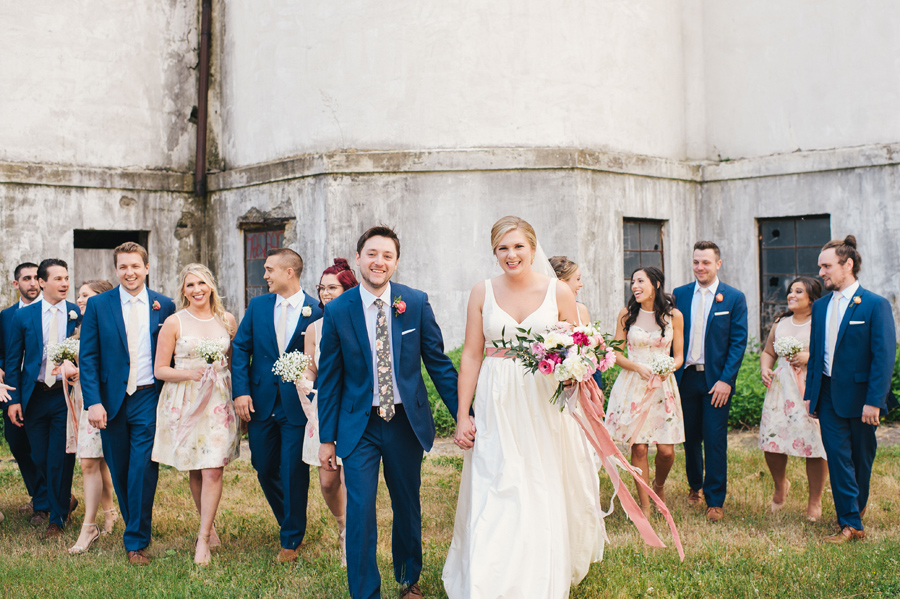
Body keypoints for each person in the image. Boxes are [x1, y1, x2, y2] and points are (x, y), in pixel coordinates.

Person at [442, 216, 605, 599]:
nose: (510, 255)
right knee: (496, 478)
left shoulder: (558, 292)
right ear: (494, 251)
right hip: (496, 398)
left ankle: (538, 571)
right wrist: (463, 413)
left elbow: (581, 346)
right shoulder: (481, 292)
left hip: (542, 398)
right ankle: (488, 577)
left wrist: (572, 369)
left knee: (538, 479)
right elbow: (471, 354)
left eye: (518, 246)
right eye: (502, 248)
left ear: (533, 248)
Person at [318, 226, 459, 599]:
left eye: (387, 255)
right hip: (358, 424)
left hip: (404, 424)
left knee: (407, 504)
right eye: (372, 254)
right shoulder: (338, 311)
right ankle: (365, 591)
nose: (379, 262)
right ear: (360, 257)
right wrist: (326, 439)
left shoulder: (414, 301)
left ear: (396, 261)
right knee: (361, 509)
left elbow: (438, 364)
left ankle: (408, 579)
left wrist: (465, 413)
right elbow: (330, 378)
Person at [80, 242, 176, 565]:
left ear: (146, 268)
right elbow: (88, 357)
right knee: (120, 469)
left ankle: (135, 540)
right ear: (116, 269)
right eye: (123, 267)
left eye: (135, 266)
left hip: (149, 396)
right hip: (111, 400)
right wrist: (93, 402)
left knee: (143, 469)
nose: (129, 272)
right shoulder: (99, 305)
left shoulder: (165, 305)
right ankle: (134, 522)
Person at [232, 248, 322, 563]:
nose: (265, 275)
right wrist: (240, 392)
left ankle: (291, 539)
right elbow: (241, 347)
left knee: (293, 471)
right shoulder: (257, 306)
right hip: (260, 402)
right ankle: (291, 518)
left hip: (296, 405)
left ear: (289, 272)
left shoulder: (317, 309)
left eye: (269, 269)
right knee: (264, 467)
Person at [804, 236, 896, 544]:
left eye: (827, 266)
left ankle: (855, 507)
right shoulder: (820, 307)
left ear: (848, 265)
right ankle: (851, 523)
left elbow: (884, 358)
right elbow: (817, 354)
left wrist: (874, 401)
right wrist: (811, 394)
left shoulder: (874, 305)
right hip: (827, 394)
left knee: (861, 457)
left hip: (861, 398)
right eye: (820, 266)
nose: (821, 272)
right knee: (838, 456)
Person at [152, 264, 239, 565]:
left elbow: (231, 362)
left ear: (211, 286)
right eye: (190, 285)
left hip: (217, 401)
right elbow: (160, 369)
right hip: (186, 398)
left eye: (201, 283)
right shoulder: (174, 322)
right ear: (184, 291)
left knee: (213, 467)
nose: (196, 289)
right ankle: (208, 524)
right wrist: (190, 372)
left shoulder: (226, 320)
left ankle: (202, 538)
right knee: (195, 466)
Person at [5, 259, 81, 539]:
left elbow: (85, 349)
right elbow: (13, 360)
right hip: (34, 396)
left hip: (63, 394)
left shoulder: (75, 312)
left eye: (66, 278)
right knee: (39, 456)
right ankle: (62, 501)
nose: (64, 283)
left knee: (60, 458)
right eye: (58, 279)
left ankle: (56, 519)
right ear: (42, 282)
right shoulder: (24, 316)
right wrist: (13, 400)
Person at [673, 241, 748, 522]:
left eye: (705, 262)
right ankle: (696, 486)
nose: (700, 267)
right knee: (689, 437)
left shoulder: (733, 298)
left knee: (714, 439)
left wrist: (727, 380)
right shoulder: (679, 295)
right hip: (686, 377)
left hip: (716, 381)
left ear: (718, 264)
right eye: (696, 262)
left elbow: (738, 342)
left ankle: (715, 501)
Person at [605, 267, 685, 516]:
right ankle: (646, 505)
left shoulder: (674, 316)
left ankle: (658, 486)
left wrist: (668, 368)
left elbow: (679, 356)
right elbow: (615, 353)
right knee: (638, 448)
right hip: (633, 384)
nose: (635, 286)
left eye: (640, 281)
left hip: (663, 387)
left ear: (656, 284)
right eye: (633, 282)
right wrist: (636, 366)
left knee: (666, 451)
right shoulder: (626, 315)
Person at [301, 258, 358, 566]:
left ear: (348, 288)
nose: (324, 293)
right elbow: (312, 370)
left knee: (352, 477)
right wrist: (300, 377)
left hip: (357, 409)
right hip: (326, 408)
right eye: (321, 289)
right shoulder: (314, 328)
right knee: (327, 481)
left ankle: (352, 538)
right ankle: (342, 524)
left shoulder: (359, 320)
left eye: (332, 287)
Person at [758, 277, 828, 521]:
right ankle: (780, 486)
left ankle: (814, 501)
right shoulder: (781, 322)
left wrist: (808, 357)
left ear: (812, 297)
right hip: (782, 389)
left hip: (810, 388)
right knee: (772, 441)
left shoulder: (820, 322)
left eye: (799, 291)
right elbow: (768, 352)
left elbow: (830, 352)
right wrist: (765, 368)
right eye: (790, 291)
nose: (792, 294)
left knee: (815, 446)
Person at [67, 279, 119, 555]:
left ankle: (102, 517)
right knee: (91, 462)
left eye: (86, 295)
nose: (80, 299)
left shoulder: (111, 324)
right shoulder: (76, 329)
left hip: (107, 400)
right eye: (79, 295)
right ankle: (98, 519)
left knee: (99, 462)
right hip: (84, 401)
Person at [0, 262, 46, 521]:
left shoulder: (54, 311)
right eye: (26, 278)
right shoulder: (6, 316)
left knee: (44, 447)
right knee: (17, 443)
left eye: (36, 278)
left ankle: (44, 503)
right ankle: (46, 496)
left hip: (44, 390)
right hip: (14, 391)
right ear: (16, 284)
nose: (32, 283)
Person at [551, 255, 603, 390]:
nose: (581, 284)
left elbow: (591, 354)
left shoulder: (581, 310)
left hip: (581, 385)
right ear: (562, 283)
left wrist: (597, 388)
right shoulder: (545, 315)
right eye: (578, 279)